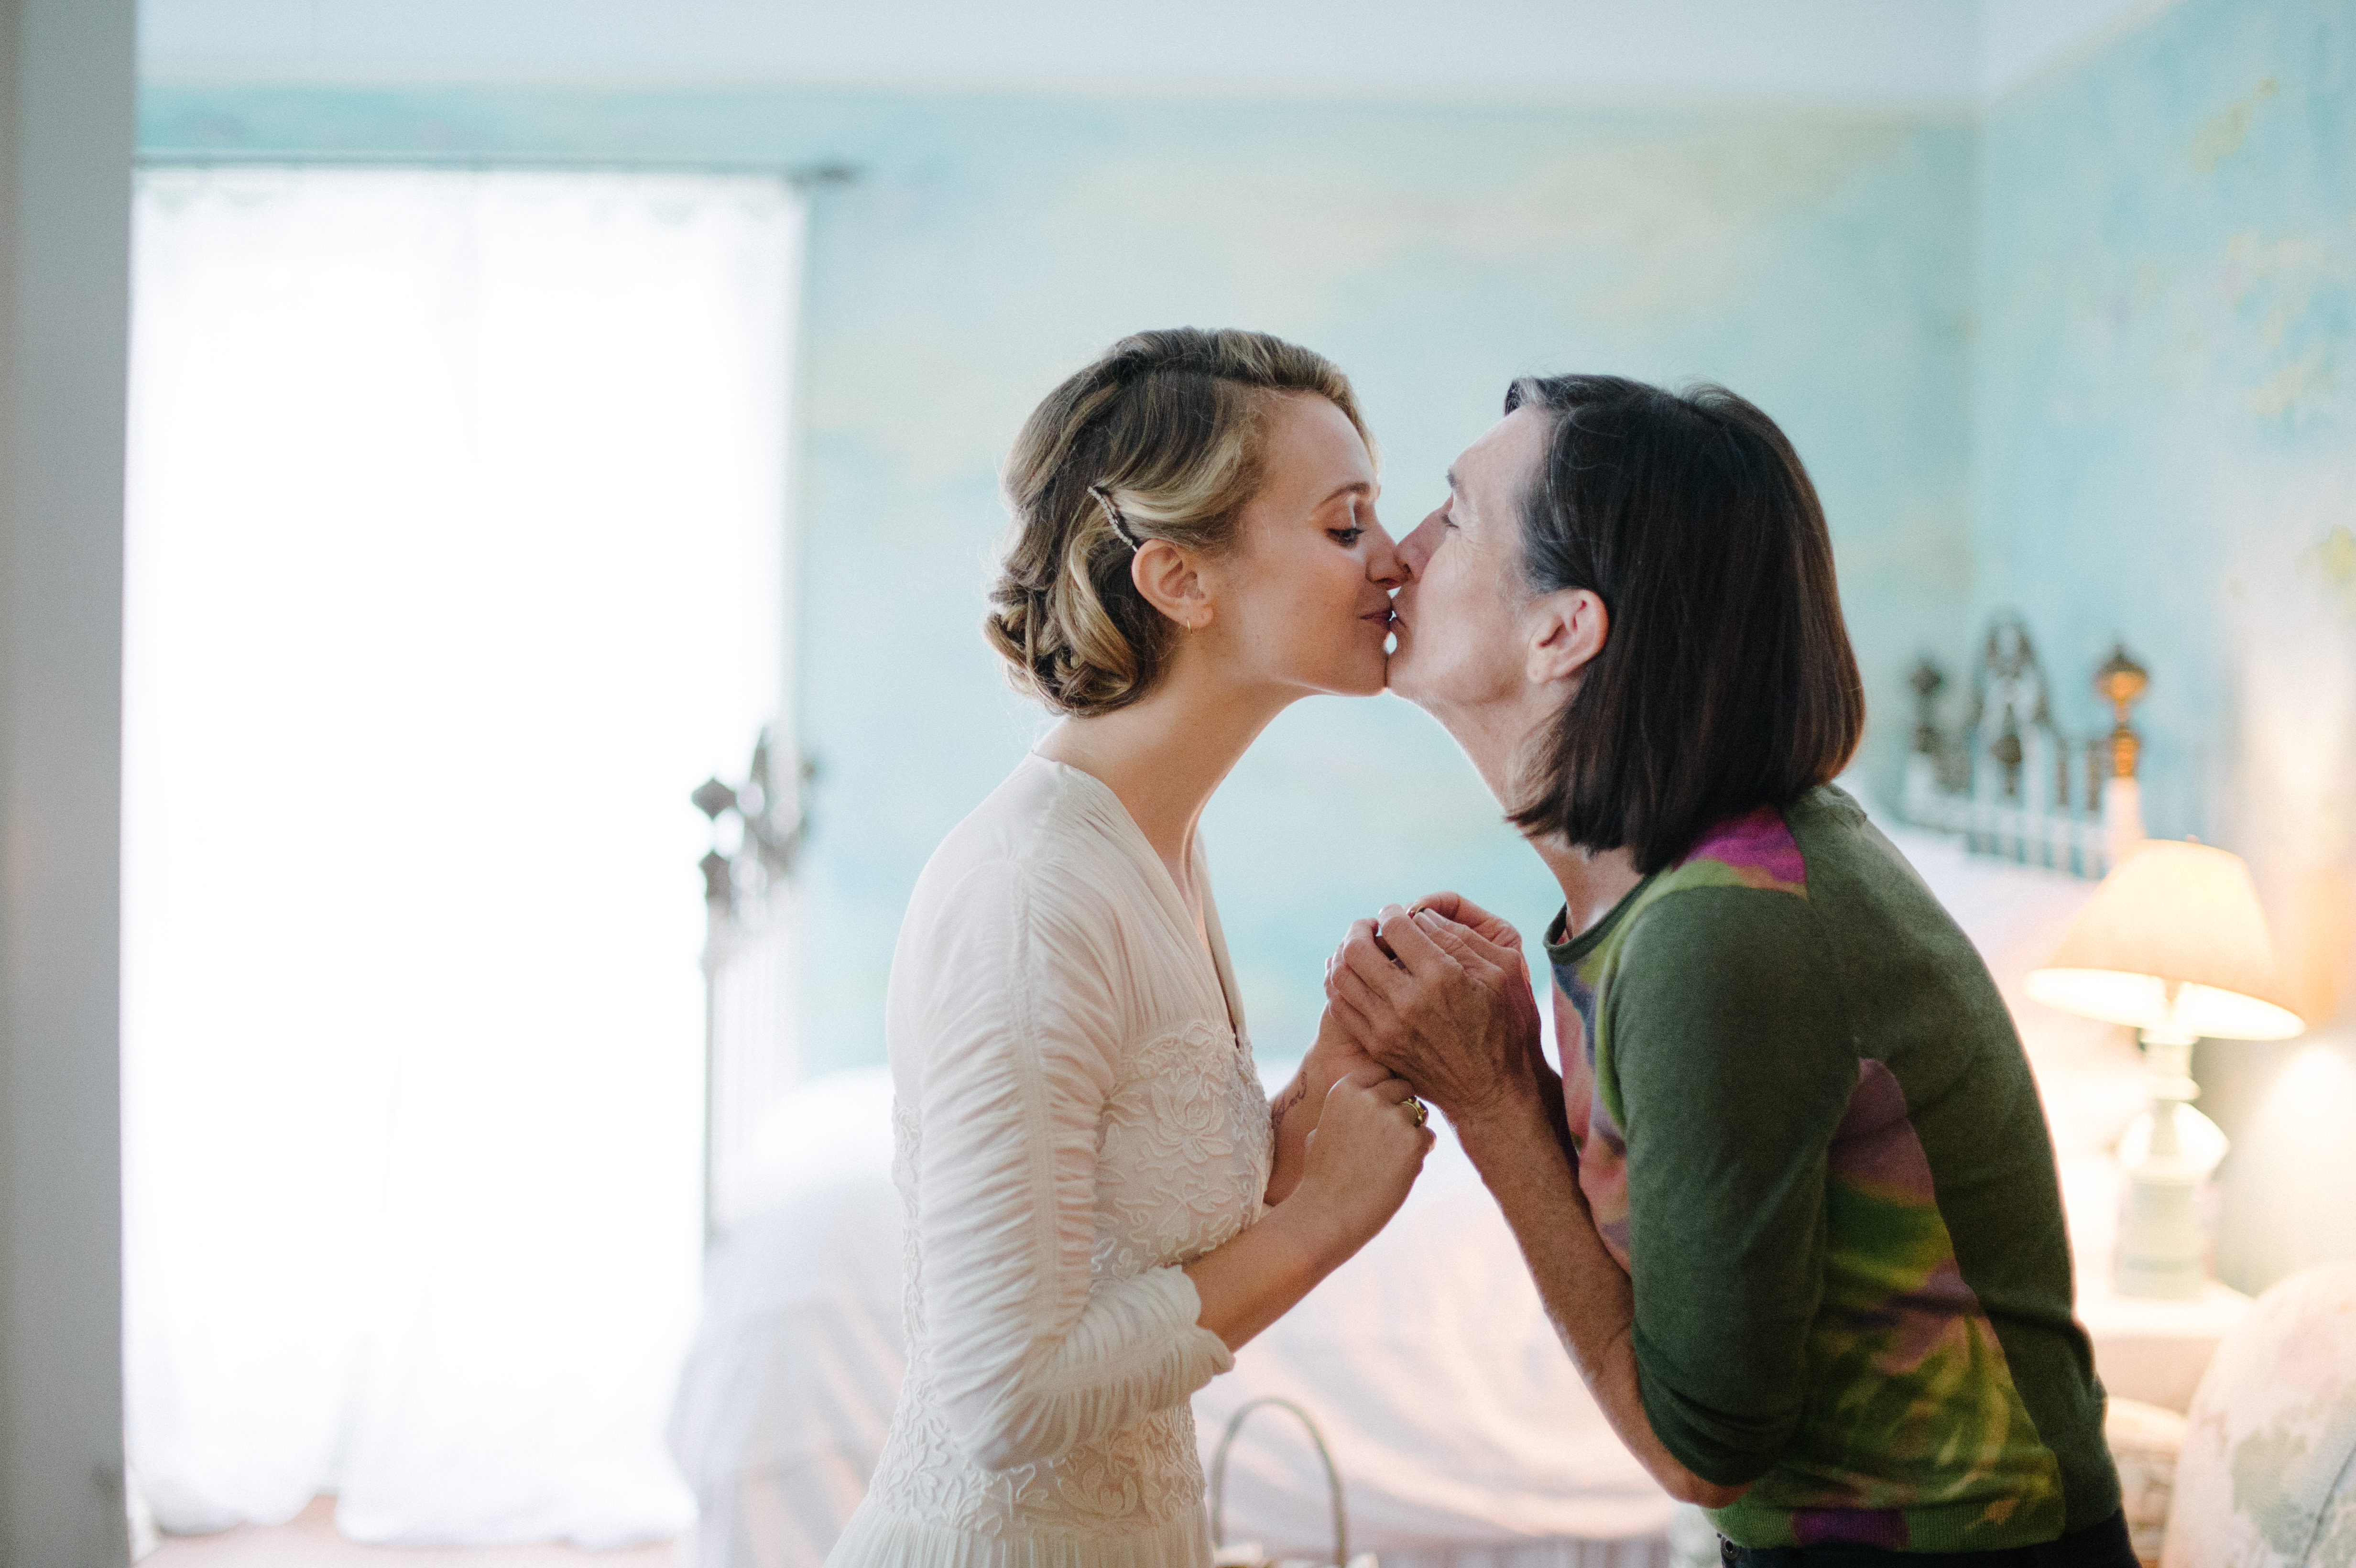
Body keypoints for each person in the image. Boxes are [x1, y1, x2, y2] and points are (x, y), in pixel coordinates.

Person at [1328, 376, 2136, 1566]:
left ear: (1564, 628)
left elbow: (1706, 1443)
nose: (1399, 553)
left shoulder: (1729, 929)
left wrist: (1497, 1101)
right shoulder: (1673, 888)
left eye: (1453, 514)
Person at [826, 329, 1434, 1568]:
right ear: (1180, 579)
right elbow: (1006, 1396)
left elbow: (1128, 1226)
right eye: (1345, 524)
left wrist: (1311, 1099)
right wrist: (1320, 1220)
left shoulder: (1157, 842)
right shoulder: (1034, 894)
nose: (1400, 558)